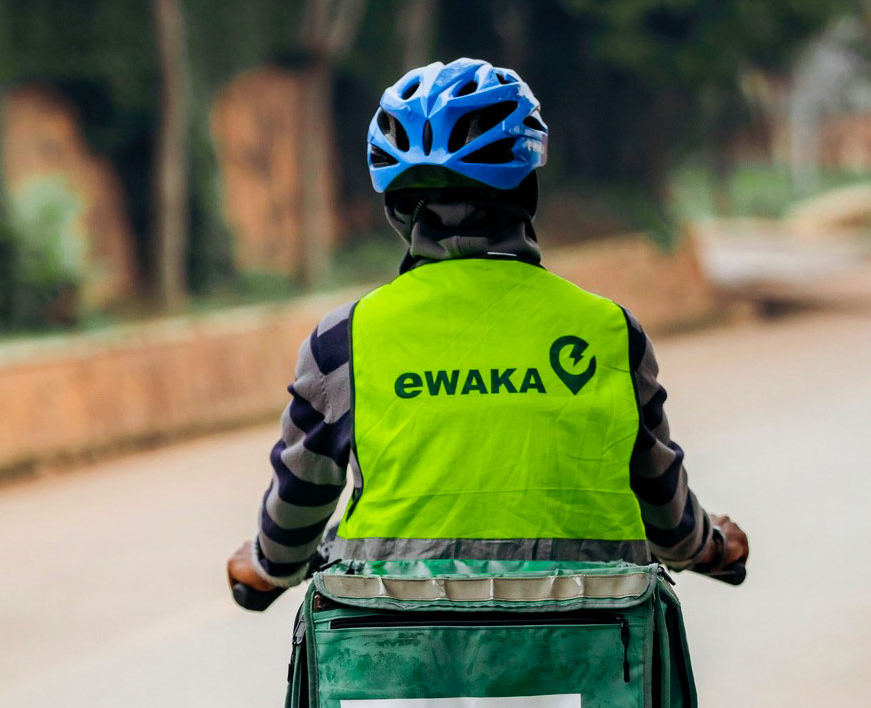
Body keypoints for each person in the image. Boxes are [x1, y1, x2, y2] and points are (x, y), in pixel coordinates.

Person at [226, 57, 747, 597]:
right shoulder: (610, 332)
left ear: (399, 209)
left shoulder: (344, 342)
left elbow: (297, 510)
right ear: (527, 193)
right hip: (590, 649)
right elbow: (662, 504)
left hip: (396, 652)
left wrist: (269, 568)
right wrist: (709, 546)